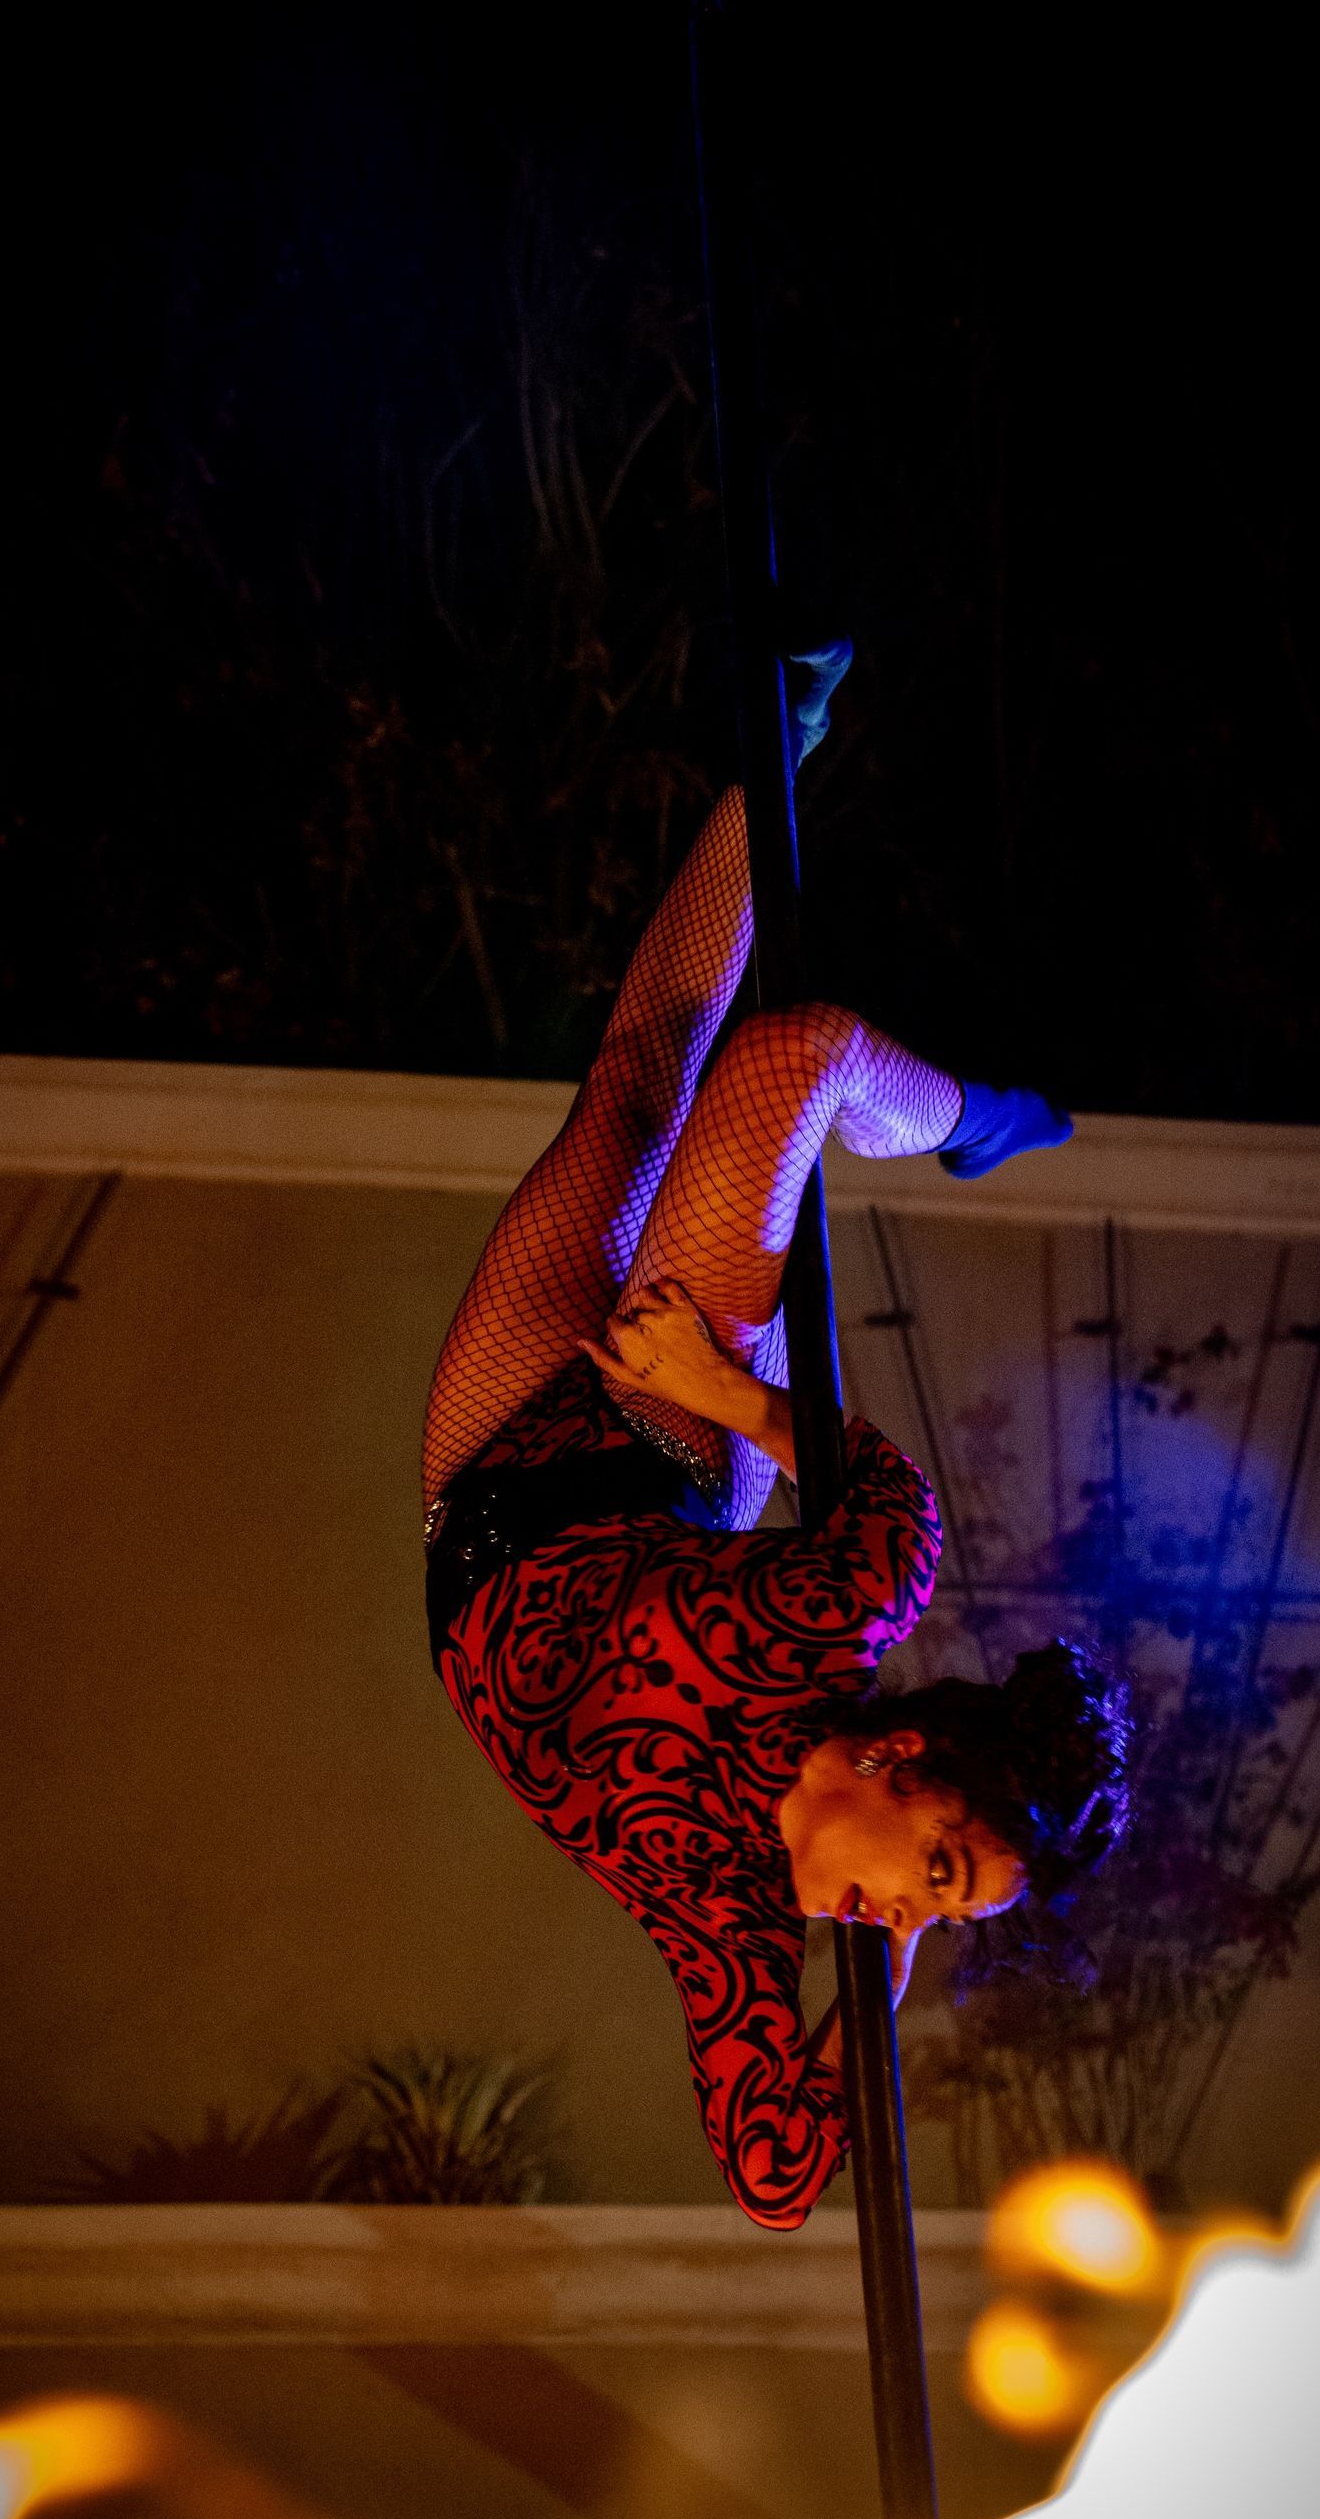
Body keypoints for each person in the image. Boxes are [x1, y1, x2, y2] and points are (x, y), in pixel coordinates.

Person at [423, 661, 1130, 2228]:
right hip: (645, 1436)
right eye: (934, 1882)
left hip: (482, 1498)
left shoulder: (732, 1917)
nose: (896, 1922)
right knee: (776, 1059)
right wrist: (724, 1389)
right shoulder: (812, 1633)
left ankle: (770, 758)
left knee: (619, 1094)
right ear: (899, 1758)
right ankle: (963, 1110)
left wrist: (883, 1958)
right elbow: (898, 1515)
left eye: (931, 1922)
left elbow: (779, 2173)